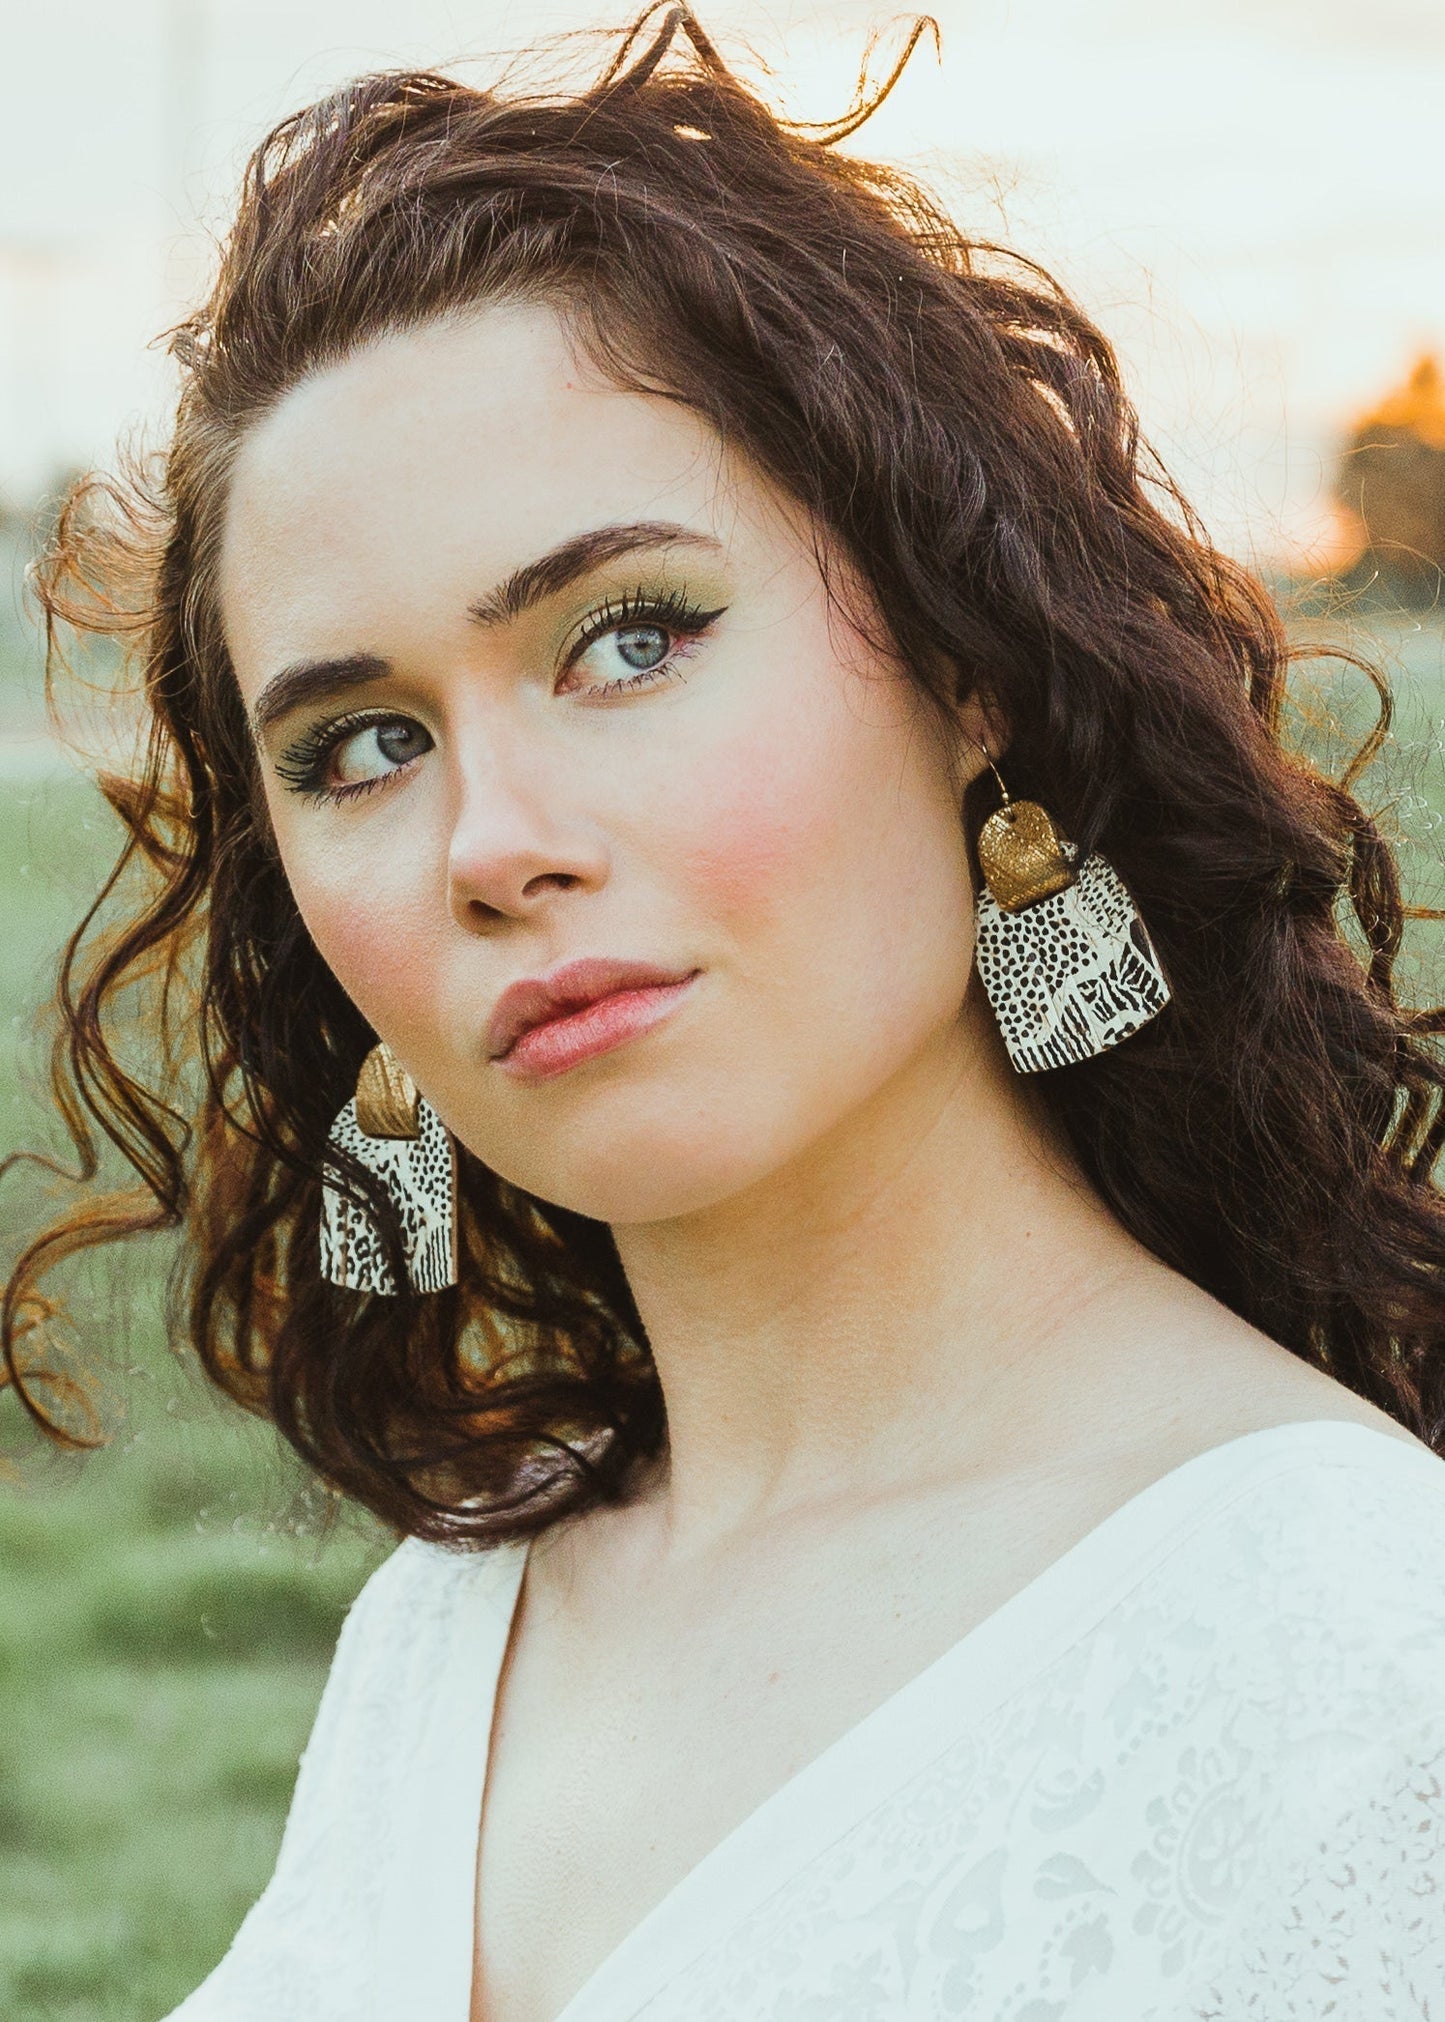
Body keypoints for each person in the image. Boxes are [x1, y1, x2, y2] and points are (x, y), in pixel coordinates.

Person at [8, 6, 1445, 2016]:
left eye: (630, 638)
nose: (488, 843)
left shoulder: (1362, 1664)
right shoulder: (450, 1629)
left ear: (971, 671)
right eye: (354, 749)